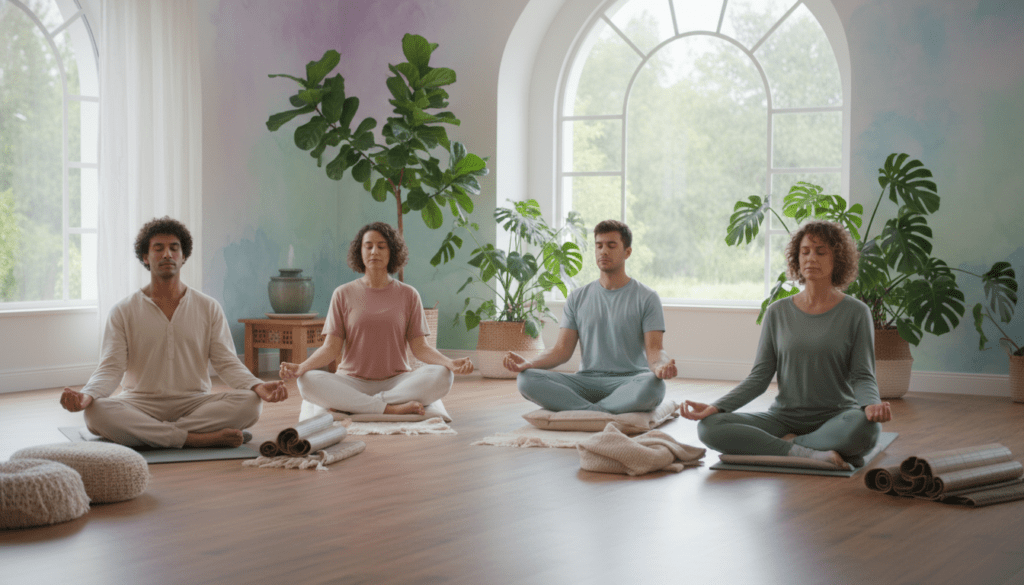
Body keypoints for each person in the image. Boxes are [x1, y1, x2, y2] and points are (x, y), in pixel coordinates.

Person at [59, 217, 288, 449]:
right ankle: (196, 438)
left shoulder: (208, 307)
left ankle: (153, 435)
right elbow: (110, 368)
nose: (167, 254)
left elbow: (227, 362)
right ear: (146, 258)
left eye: (174, 248)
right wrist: (86, 396)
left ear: (183, 256)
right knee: (96, 413)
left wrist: (257, 386)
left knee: (251, 403)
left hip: (195, 403)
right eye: (158, 248)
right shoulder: (123, 310)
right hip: (140, 403)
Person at [680, 220, 893, 469]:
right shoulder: (777, 312)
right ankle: (804, 451)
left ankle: (785, 446)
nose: (811, 258)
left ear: (838, 259)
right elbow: (759, 377)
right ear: (796, 258)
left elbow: (862, 374)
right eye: (805, 252)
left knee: (866, 429)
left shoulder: (856, 312)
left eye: (820, 252)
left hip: (837, 416)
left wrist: (871, 405)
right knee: (709, 427)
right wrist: (716, 407)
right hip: (783, 418)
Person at [280, 222, 473, 415]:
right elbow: (331, 348)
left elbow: (420, 347)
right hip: (351, 381)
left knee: (442, 375)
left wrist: (449, 363)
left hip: (397, 382)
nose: (374, 252)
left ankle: (361, 405)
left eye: (381, 247)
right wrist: (301, 367)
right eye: (368, 246)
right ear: (360, 251)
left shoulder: (409, 294)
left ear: (392, 252)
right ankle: (389, 409)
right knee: (306, 381)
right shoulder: (342, 294)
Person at [503, 219, 677, 413]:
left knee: (654, 386)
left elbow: (655, 350)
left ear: (627, 252)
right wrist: (529, 363)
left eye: (611, 246)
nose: (603, 251)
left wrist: (661, 366)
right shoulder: (577, 297)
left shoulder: (647, 297)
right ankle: (600, 411)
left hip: (631, 381)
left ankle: (583, 412)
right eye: (599, 245)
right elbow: (561, 351)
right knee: (526, 379)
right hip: (585, 381)